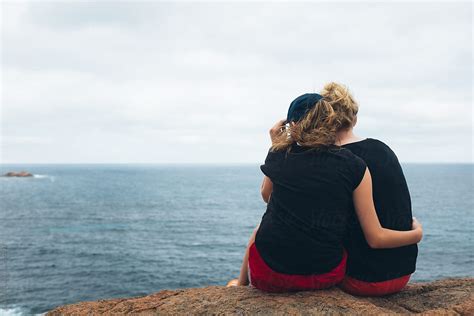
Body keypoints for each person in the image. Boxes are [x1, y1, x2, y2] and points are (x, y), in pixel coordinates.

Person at [227, 83, 422, 292]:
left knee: (264, 227)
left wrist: (278, 146)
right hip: (392, 272)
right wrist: (417, 234)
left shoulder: (305, 159)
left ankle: (240, 283)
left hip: (352, 276)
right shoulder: (373, 154)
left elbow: (268, 196)